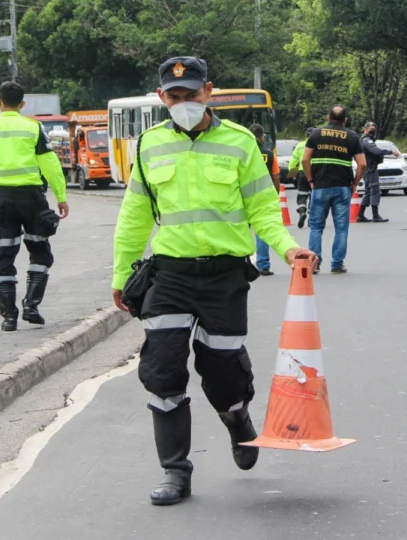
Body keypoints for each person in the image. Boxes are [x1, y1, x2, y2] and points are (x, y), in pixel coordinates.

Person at [111, 56, 316, 507]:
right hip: (170, 275)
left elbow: (263, 208)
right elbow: (135, 214)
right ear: (162, 97)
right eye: (174, 96)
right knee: (163, 372)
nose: (182, 103)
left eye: (191, 94)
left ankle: (236, 416)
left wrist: (288, 248)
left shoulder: (241, 143)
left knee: (222, 370)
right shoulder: (147, 145)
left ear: (209, 92)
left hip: (224, 275)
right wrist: (121, 271)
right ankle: (175, 472)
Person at [0, 81, 69, 332]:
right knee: (40, 252)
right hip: (32, 199)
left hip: (0, 200)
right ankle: (31, 306)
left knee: (3, 256)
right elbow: (50, 164)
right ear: (22, 104)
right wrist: (61, 195)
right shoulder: (33, 128)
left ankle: (9, 317)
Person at [302, 105, 367, 274]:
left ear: (328, 117)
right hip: (342, 187)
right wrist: (354, 183)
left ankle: (314, 264)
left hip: (320, 186)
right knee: (341, 228)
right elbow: (362, 164)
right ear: (345, 120)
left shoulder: (316, 134)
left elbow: (304, 160)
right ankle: (337, 264)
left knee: (316, 227)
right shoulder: (352, 137)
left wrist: (310, 180)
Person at [250, 123, 281, 276]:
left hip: (242, 197)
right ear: (262, 138)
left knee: (241, 231)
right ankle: (263, 265)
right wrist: (275, 194)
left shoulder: (243, 153)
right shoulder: (269, 154)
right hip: (262, 197)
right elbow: (276, 177)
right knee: (262, 231)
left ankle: (242, 265)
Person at [357, 121, 399, 223]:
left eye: (373, 130)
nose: (372, 132)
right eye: (370, 129)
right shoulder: (367, 141)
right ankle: (375, 215)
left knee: (367, 192)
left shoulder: (365, 140)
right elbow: (377, 152)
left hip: (368, 169)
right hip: (370, 169)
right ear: (365, 129)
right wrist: (391, 152)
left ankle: (360, 215)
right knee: (375, 191)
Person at [288, 127, 314, 228]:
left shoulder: (299, 146)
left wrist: (292, 176)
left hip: (302, 173)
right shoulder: (318, 146)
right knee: (313, 195)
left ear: (306, 135)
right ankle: (311, 219)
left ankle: (302, 211)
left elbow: (293, 163)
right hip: (314, 173)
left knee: (302, 195)